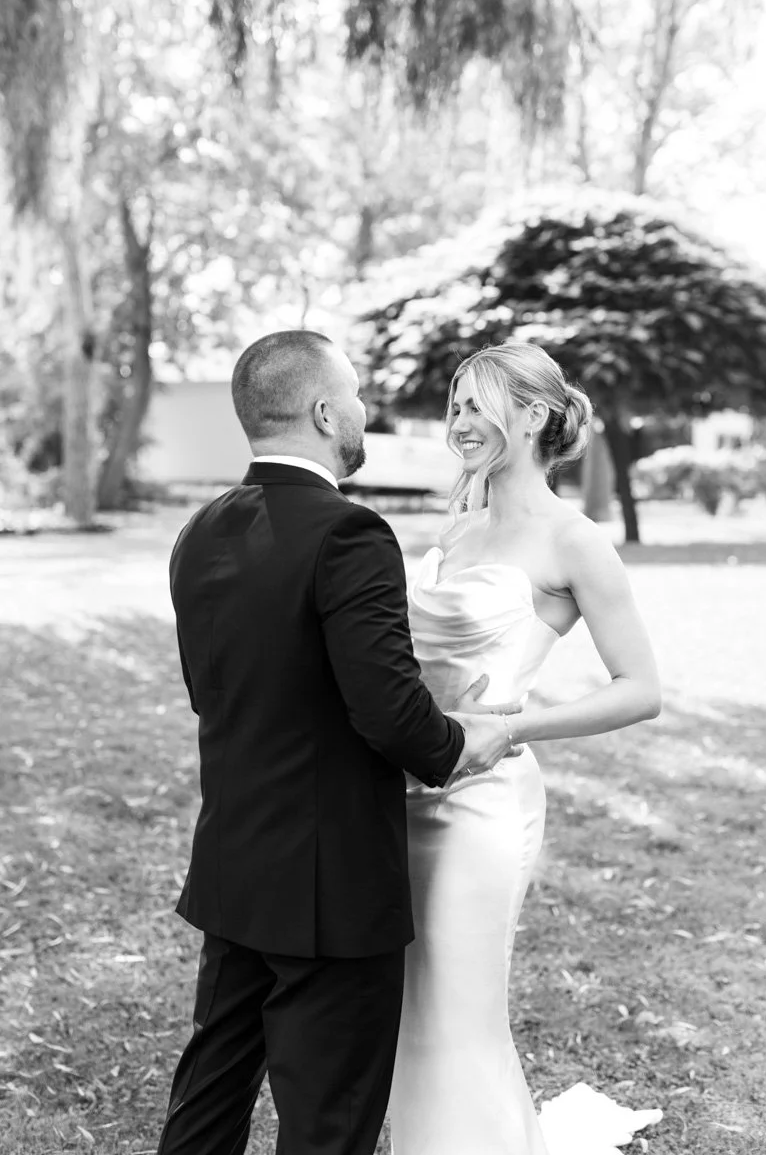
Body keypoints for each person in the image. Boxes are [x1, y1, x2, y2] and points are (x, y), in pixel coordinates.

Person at [155, 330, 522, 1155]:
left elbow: (214, 691)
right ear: (325, 411)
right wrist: (467, 744)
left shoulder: (201, 530)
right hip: (331, 888)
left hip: (233, 865)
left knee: (209, 1097)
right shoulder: (349, 534)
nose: (362, 411)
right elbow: (390, 712)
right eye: (354, 396)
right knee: (329, 1120)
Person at [388, 340, 663, 1155]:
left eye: (477, 404)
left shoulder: (574, 540)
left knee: (460, 1012)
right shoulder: (459, 528)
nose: (459, 422)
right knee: (407, 1005)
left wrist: (511, 726)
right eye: (455, 406)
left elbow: (641, 688)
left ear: (535, 413)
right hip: (401, 792)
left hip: (484, 803)